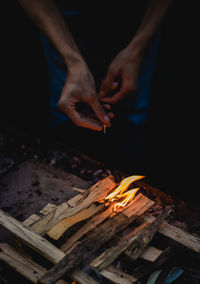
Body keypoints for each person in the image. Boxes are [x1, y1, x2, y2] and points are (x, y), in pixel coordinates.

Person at [18, 0, 175, 170]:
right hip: (64, 13)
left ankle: (124, 168)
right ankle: (61, 170)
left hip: (137, 15)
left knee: (131, 109)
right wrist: (73, 61)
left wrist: (138, 48)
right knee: (68, 111)